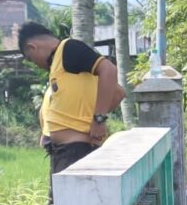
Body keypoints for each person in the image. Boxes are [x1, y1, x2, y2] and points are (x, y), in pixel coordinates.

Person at [18, 19, 121, 191]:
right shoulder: (60, 64)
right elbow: (118, 93)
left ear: (32, 47)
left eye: (30, 58)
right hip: (66, 151)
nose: (35, 63)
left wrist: (99, 119)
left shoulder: (68, 48)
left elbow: (109, 70)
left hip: (76, 151)